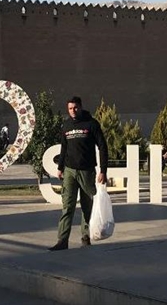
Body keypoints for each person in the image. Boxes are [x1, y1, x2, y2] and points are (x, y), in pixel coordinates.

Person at [49, 96, 108, 251]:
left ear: (80, 107)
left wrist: (103, 171)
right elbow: (64, 147)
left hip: (87, 171)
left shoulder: (91, 124)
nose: (73, 111)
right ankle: (62, 240)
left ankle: (86, 237)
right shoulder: (66, 125)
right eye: (70, 108)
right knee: (67, 206)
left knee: (87, 206)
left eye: (75, 108)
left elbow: (102, 146)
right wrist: (60, 167)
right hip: (69, 171)